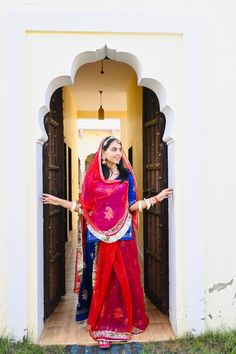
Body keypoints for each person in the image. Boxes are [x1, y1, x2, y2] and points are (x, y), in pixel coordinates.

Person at [42, 136, 173, 349]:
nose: (118, 153)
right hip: (105, 239)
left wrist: (156, 198)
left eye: (120, 149)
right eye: (113, 149)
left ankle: (127, 322)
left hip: (124, 237)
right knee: (108, 279)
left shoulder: (126, 176)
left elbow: (131, 205)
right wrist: (58, 202)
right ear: (102, 153)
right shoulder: (94, 179)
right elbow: (86, 208)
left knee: (127, 278)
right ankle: (106, 325)